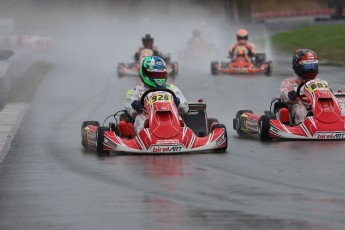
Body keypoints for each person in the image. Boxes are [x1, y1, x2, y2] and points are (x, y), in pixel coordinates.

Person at [118, 56, 188, 138]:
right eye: (155, 74)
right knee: (138, 119)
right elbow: (131, 109)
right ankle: (142, 138)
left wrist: (178, 103)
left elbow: (185, 108)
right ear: (145, 74)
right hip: (146, 117)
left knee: (179, 120)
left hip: (170, 116)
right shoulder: (135, 91)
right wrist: (136, 106)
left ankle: (183, 137)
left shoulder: (172, 89)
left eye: (161, 74)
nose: (158, 77)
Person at [279, 49, 319, 124]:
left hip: (316, 108)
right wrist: (289, 95)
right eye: (308, 66)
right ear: (297, 66)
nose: (311, 69)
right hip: (296, 112)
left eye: (313, 65)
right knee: (300, 107)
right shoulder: (289, 82)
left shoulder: (319, 82)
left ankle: (333, 124)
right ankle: (303, 125)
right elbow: (283, 94)